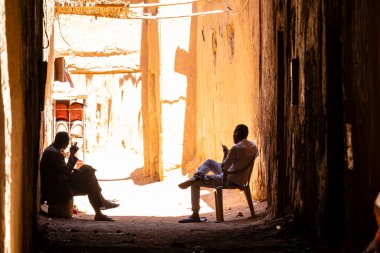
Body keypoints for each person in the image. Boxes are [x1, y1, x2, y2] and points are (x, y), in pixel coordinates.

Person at [178, 124, 258, 223]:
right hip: (241, 177)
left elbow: (224, 168)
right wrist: (228, 154)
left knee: (195, 183)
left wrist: (226, 155)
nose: (233, 135)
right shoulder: (253, 146)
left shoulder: (236, 148)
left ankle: (195, 214)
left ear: (237, 134)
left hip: (229, 179)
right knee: (210, 162)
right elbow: (240, 161)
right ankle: (198, 176)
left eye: (234, 133)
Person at [40, 131, 119, 221]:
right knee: (88, 171)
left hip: (61, 184)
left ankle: (100, 210)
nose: (67, 145)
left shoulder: (52, 150)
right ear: (65, 142)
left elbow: (62, 171)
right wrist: (72, 154)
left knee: (89, 177)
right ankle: (101, 206)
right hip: (59, 189)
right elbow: (66, 171)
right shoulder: (53, 153)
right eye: (67, 142)